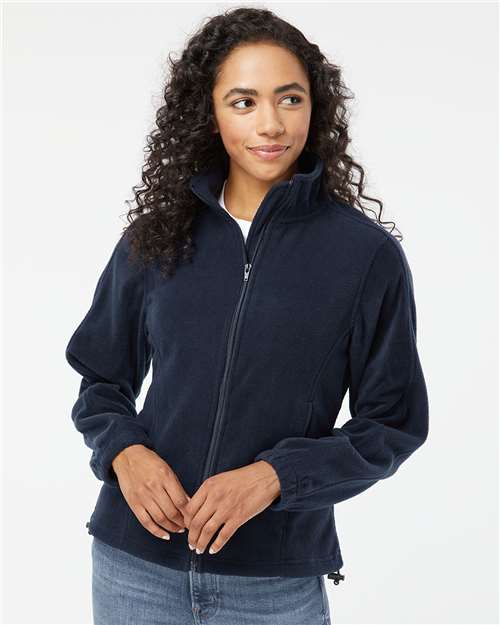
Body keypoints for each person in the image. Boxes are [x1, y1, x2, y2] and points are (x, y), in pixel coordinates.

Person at [65, 7, 429, 625]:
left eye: (290, 98)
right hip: (134, 569)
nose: (270, 124)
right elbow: (101, 379)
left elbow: (392, 423)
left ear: (315, 107)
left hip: (272, 584)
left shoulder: (365, 257)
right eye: (243, 101)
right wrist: (126, 452)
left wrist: (275, 476)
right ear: (209, 112)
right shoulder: (159, 237)